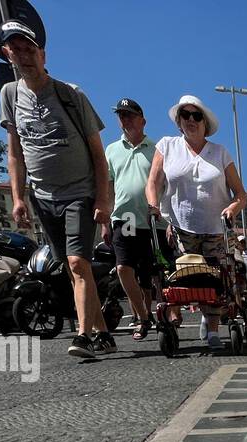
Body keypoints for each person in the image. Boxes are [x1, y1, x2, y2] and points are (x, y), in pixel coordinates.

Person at [0, 19, 116, 360]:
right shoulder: (9, 95)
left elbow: (98, 153)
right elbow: (15, 153)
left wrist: (103, 198)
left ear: (42, 54)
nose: (24, 56)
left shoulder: (70, 94)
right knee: (71, 266)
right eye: (16, 50)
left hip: (80, 192)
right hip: (43, 196)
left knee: (78, 262)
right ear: (8, 55)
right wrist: (19, 198)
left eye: (29, 49)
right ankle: (104, 332)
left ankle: (84, 336)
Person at [145, 94, 247, 352]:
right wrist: (153, 206)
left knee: (216, 279)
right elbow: (154, 182)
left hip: (215, 228)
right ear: (179, 121)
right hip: (182, 227)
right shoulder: (167, 146)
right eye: (185, 115)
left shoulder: (220, 152)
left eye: (196, 115)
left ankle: (212, 329)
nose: (191, 120)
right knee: (185, 279)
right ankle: (177, 320)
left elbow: (241, 194)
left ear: (205, 122)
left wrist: (233, 207)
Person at [104, 98, 157, 341]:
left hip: (150, 219)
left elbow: (163, 185)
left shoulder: (156, 150)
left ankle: (147, 313)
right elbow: (109, 186)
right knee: (124, 267)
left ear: (143, 120)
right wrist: (105, 220)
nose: (125, 119)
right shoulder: (112, 149)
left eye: (130, 115)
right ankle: (143, 317)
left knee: (146, 274)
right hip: (122, 217)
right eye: (121, 115)